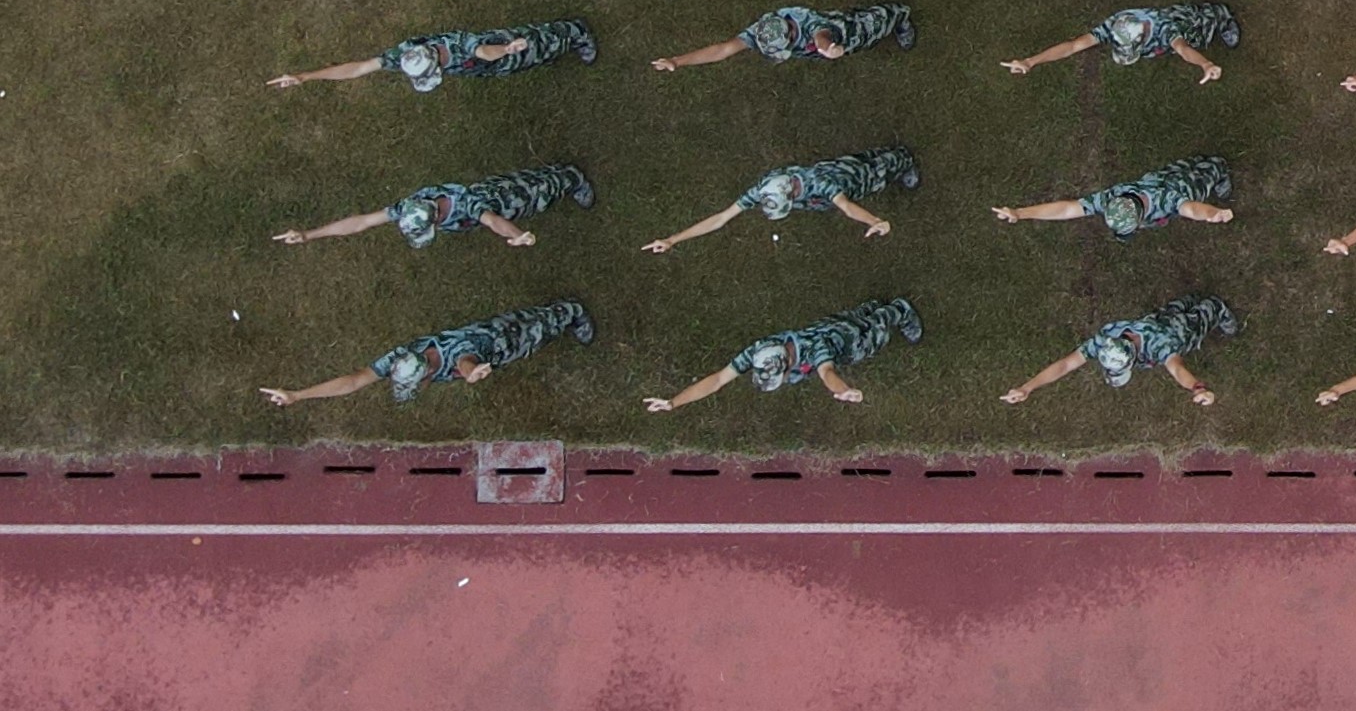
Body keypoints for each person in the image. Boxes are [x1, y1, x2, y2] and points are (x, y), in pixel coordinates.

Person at [262, 300, 594, 408]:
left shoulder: (458, 354)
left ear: (427, 373)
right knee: (528, 319)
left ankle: (572, 312)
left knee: (537, 331)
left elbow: (465, 362)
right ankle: (553, 313)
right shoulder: (401, 359)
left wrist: (472, 373)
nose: (417, 390)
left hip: (498, 342)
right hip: (486, 343)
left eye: (415, 386)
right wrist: (298, 395)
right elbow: (353, 381)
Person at [644, 299, 920, 413]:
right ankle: (869, 308)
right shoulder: (760, 350)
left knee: (876, 333)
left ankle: (898, 310)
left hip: (846, 340)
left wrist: (843, 391)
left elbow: (827, 373)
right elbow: (717, 380)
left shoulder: (816, 348)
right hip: (828, 324)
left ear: (787, 365)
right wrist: (673, 402)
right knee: (853, 316)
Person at [641, 146, 917, 253]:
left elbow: (846, 206)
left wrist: (874, 220)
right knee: (864, 158)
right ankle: (883, 155)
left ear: (793, 192)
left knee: (878, 172)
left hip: (850, 179)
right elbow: (721, 218)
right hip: (834, 168)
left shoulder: (819, 183)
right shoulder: (764, 189)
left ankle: (903, 160)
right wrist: (673, 240)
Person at [275, 162, 593, 251]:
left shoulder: (467, 205)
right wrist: (309, 235)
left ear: (437, 217)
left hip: (508, 201)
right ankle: (556, 173)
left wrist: (516, 235)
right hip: (495, 189)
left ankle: (572, 179)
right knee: (531, 178)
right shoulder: (411, 206)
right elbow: (362, 222)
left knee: (541, 191)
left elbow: (492, 220)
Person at [1005, 295, 1241, 408]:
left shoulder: (1162, 345)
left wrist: (1198, 388)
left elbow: (1177, 369)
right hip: (1157, 320)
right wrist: (1028, 387)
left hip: (1182, 332)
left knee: (1207, 310)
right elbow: (1066, 365)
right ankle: (1186, 302)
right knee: (1175, 308)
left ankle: (1219, 312)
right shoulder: (1106, 339)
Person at [267, 20, 596, 92]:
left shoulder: (460, 46)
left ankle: (575, 33)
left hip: (503, 50)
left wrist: (506, 51)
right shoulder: (404, 56)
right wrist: (305, 77)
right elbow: (358, 69)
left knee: (540, 43)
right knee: (534, 55)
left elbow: (482, 52)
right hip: (491, 63)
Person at [994, 154, 1236, 238]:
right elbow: (1067, 209)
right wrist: (1020, 213)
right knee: (1186, 164)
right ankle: (1199, 161)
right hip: (1164, 175)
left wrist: (1212, 213)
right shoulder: (1110, 198)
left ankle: (1219, 171)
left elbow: (1191, 208)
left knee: (1211, 169)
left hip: (1188, 187)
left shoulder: (1165, 200)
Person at [1006, 1, 1241, 83]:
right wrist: (1031, 61)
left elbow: (1183, 49)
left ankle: (1222, 19)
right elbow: (1074, 46)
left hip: (1188, 25)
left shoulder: (1164, 28)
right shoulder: (1115, 26)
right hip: (1170, 33)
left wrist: (1205, 64)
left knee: (1201, 32)